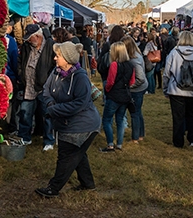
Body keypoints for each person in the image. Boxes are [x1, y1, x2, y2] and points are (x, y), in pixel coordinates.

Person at [35, 42, 101, 198]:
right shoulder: (56, 72)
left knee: (66, 156)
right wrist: (50, 104)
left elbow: (79, 104)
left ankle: (53, 188)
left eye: (58, 55)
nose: (55, 58)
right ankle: (87, 183)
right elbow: (46, 90)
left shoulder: (80, 77)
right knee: (78, 154)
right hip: (66, 123)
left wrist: (53, 110)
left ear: (67, 58)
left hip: (82, 125)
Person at [163, 30, 193, 148]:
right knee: (191, 114)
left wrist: (165, 88)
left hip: (176, 90)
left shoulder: (174, 53)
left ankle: (178, 142)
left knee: (178, 117)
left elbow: (166, 73)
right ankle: (192, 139)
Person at [16, 24, 57, 151]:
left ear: (38, 36)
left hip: (44, 87)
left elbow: (55, 65)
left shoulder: (50, 46)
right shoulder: (26, 46)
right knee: (25, 113)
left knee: (46, 115)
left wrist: (49, 81)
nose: (28, 40)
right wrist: (20, 74)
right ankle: (24, 137)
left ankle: (48, 140)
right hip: (28, 85)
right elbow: (20, 61)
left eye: (30, 38)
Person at [100, 42, 134, 152]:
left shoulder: (114, 65)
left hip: (114, 95)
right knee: (120, 120)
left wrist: (107, 89)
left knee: (106, 120)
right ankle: (119, 144)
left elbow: (110, 81)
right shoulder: (130, 65)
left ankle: (110, 144)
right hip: (125, 95)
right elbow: (132, 81)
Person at [123, 36, 147, 142]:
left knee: (134, 113)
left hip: (137, 89)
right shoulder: (137, 55)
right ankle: (140, 134)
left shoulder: (134, 60)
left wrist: (130, 86)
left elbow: (140, 78)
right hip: (141, 87)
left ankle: (135, 137)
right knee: (138, 112)